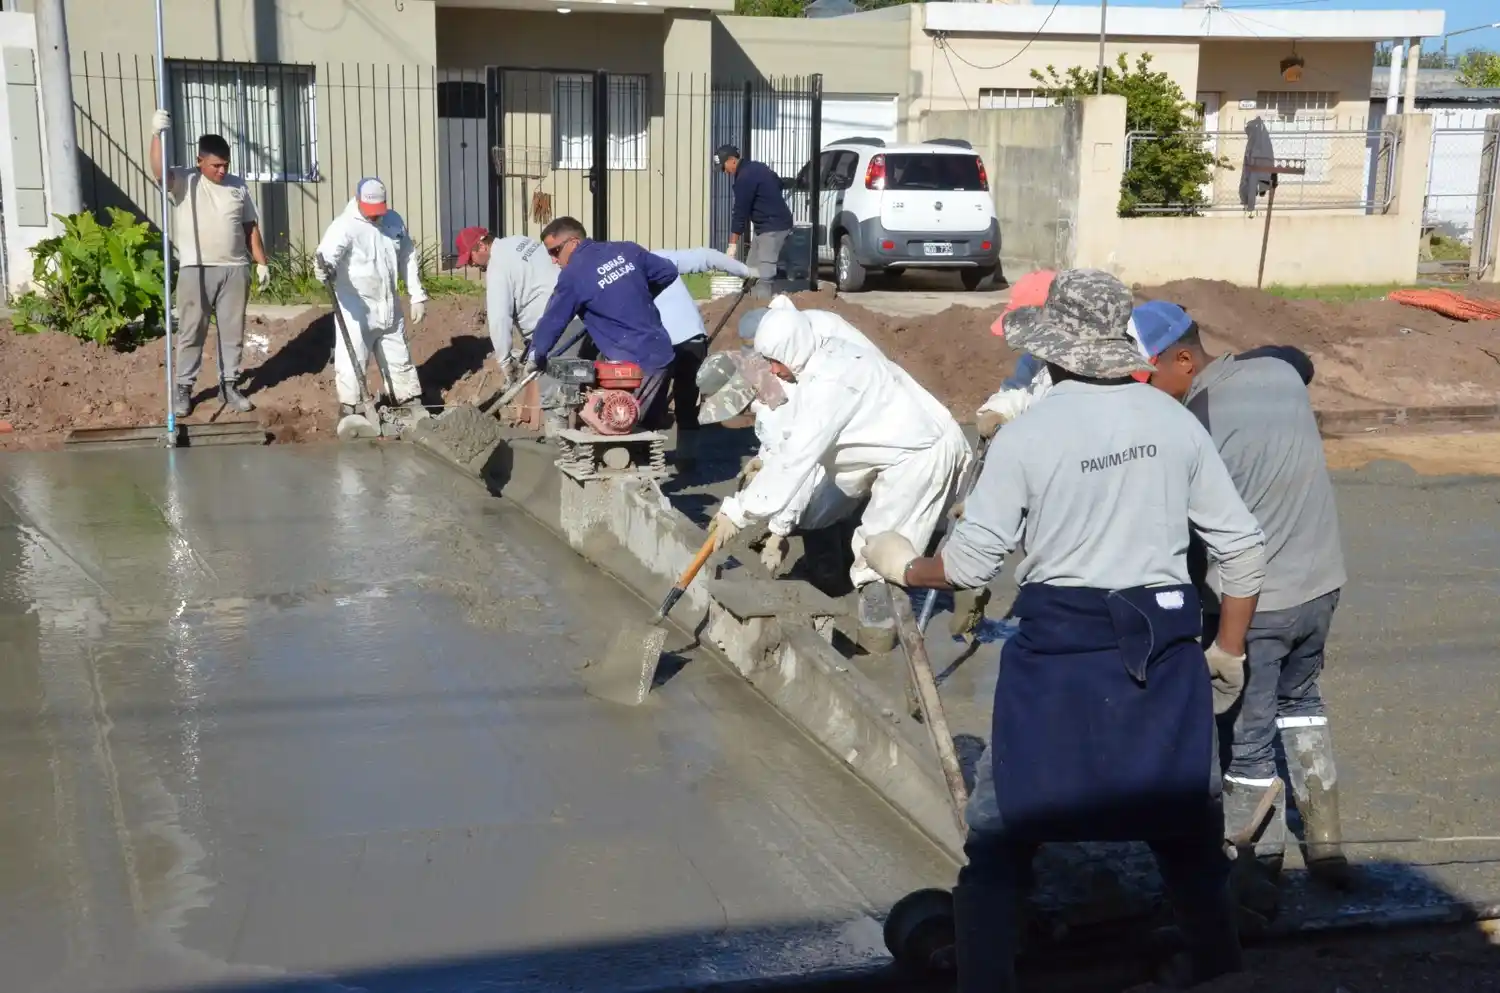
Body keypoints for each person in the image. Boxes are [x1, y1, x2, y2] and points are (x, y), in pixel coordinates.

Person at [858, 269, 1267, 992]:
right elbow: (1242, 547)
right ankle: (1221, 973)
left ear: (1052, 352)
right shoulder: (1173, 421)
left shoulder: (1031, 434)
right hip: (1161, 648)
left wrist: (904, 563)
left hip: (1060, 655)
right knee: (1188, 837)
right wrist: (1227, 647)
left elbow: (973, 563)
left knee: (1001, 839)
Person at [1129, 300, 1349, 895]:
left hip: (1258, 606)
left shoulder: (1193, 422)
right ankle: (1327, 849)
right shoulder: (1278, 374)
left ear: (1181, 358)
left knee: (1247, 743)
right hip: (1324, 585)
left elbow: (1190, 535)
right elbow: (1294, 358)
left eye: (1148, 374)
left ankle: (1256, 874)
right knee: (1303, 701)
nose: (1145, 387)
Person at [710, 300, 971, 647]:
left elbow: (798, 461)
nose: (772, 370)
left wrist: (740, 512)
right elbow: (790, 445)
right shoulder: (814, 359)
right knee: (825, 516)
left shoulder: (830, 382)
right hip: (881, 448)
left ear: (790, 352)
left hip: (917, 456)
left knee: (880, 552)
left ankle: (879, 638)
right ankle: (836, 574)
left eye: (775, 362)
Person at [149, 110, 270, 417]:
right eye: (216, 165)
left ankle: (229, 385)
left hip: (234, 269)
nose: (221, 170)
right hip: (196, 268)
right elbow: (159, 172)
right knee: (192, 331)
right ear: (200, 160)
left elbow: (250, 228)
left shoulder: (237, 186)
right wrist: (156, 136)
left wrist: (261, 263)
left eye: (225, 164)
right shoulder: (185, 182)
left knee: (232, 331)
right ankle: (183, 389)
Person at [528, 217, 680, 430]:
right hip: (661, 354)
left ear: (573, 242)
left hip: (632, 366)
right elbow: (668, 272)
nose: (554, 260)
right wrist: (636, 295)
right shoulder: (627, 250)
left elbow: (554, 319)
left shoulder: (574, 275)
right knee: (644, 429)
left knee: (616, 426)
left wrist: (536, 354)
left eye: (555, 251)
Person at [314, 178, 428, 417]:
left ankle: (407, 401)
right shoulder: (344, 226)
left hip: (389, 304)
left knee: (399, 356)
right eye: (370, 212)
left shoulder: (393, 221)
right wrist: (325, 269)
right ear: (358, 201)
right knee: (352, 360)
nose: (375, 217)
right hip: (356, 308)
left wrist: (416, 294)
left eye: (379, 212)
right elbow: (325, 257)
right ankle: (352, 409)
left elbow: (407, 255)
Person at [647, 246, 754, 467]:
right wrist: (746, 271)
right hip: (693, 336)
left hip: (660, 342)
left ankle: (647, 453)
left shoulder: (624, 277)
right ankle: (686, 457)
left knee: (649, 398)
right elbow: (707, 256)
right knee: (686, 397)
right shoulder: (659, 258)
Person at [453, 226, 557, 384]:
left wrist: (505, 362)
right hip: (573, 314)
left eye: (470, 258)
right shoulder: (519, 240)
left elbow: (499, 319)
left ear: (482, 246)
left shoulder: (497, 267)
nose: (471, 264)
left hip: (549, 335)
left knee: (548, 393)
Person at [714, 145, 794, 299]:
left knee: (765, 271)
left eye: (723, 167)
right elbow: (778, 183)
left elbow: (740, 213)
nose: (724, 172)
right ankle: (749, 302)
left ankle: (763, 306)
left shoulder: (744, 179)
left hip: (773, 227)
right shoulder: (758, 167)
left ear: (731, 160)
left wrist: (732, 245)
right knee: (750, 268)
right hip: (765, 226)